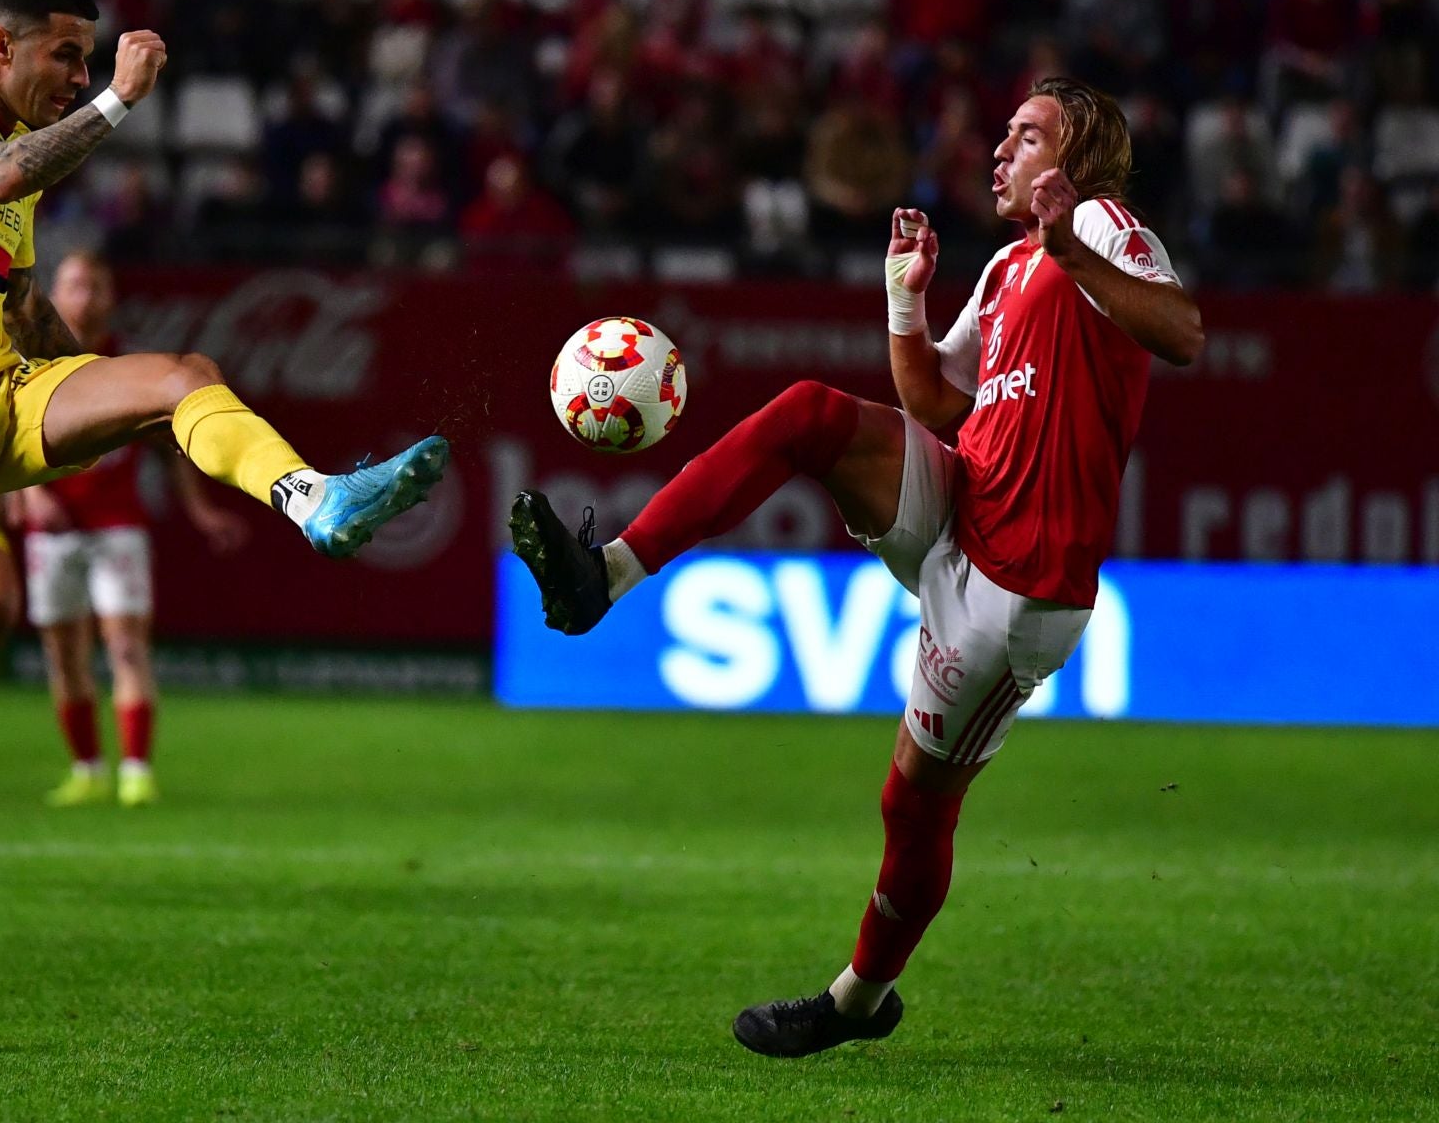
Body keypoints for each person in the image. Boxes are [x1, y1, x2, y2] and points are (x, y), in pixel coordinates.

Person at [509, 76, 1203, 1058]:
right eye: (1003, 131)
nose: (1000, 148)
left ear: (1078, 160)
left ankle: (857, 996)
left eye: (1026, 134)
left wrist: (1072, 246)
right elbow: (934, 402)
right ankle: (605, 574)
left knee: (914, 802)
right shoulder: (1009, 267)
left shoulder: (1103, 226)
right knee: (809, 414)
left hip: (1015, 590)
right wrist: (903, 299)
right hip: (962, 501)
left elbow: (1181, 333)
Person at [0, 0, 448, 1033]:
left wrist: (116, 411)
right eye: (64, 54)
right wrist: (121, 98)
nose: (78, 74)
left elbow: (27, 315)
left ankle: (314, 499)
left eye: (87, 57)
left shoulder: (9, 206)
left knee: (182, 378)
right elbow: (9, 171)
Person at [20, 252, 248, 808]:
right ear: (55, 294)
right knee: (65, 655)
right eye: (75, 285)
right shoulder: (33, 360)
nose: (87, 296)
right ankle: (88, 769)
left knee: (125, 647)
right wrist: (32, 495)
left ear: (111, 297)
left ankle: (137, 770)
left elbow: (168, 448)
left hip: (117, 523)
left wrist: (200, 511)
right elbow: (7, 427)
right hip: (51, 529)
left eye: (96, 285)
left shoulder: (127, 362)